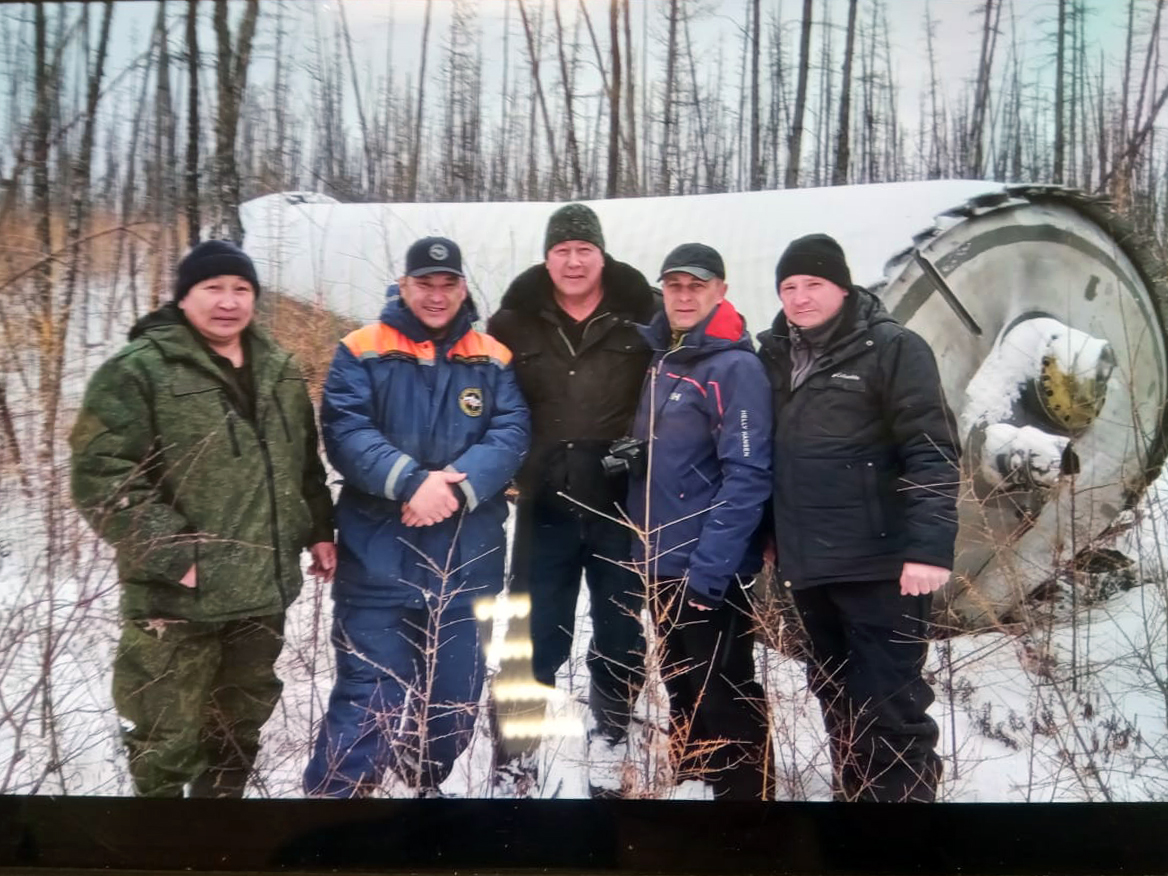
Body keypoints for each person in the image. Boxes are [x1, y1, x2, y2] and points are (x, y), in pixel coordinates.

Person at [70, 240, 336, 798]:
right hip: (177, 601)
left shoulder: (282, 371)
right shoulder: (137, 371)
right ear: (184, 296)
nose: (228, 301)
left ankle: (219, 840)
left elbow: (302, 465)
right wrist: (175, 555)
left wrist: (318, 530)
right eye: (212, 287)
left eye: (241, 289)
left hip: (261, 592)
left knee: (237, 734)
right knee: (166, 741)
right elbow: (101, 476)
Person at [303, 236, 529, 798]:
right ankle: (333, 818)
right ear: (403, 286)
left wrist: (456, 486)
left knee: (454, 706)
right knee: (369, 698)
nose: (436, 295)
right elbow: (346, 432)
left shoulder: (491, 355)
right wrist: (412, 482)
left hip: (465, 559)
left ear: (463, 287)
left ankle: (421, 778)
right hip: (379, 556)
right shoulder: (362, 348)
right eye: (424, 284)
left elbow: (512, 431)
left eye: (447, 283)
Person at [757, 233, 960, 803]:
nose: (799, 298)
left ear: (842, 287)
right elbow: (767, 457)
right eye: (789, 286)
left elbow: (932, 448)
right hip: (809, 566)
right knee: (835, 693)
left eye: (813, 284)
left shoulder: (893, 348)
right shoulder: (773, 357)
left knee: (889, 704)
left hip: (882, 565)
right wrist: (770, 533)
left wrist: (928, 547)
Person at [486, 203, 658, 796]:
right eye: (562, 249)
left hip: (619, 504)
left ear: (602, 255)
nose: (574, 260)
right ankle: (514, 752)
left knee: (619, 629)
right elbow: (484, 400)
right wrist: (501, 469)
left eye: (584, 249)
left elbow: (681, 386)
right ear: (547, 257)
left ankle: (610, 737)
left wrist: (647, 450)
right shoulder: (511, 324)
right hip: (545, 505)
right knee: (531, 630)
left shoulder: (644, 317)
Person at [626, 243, 774, 801]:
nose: (684, 296)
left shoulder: (734, 367)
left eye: (697, 285)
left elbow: (748, 475)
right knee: (684, 689)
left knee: (725, 693)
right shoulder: (666, 358)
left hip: (707, 567)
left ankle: (748, 814)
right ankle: (694, 792)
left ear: (721, 291)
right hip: (662, 560)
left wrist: (711, 571)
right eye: (674, 285)